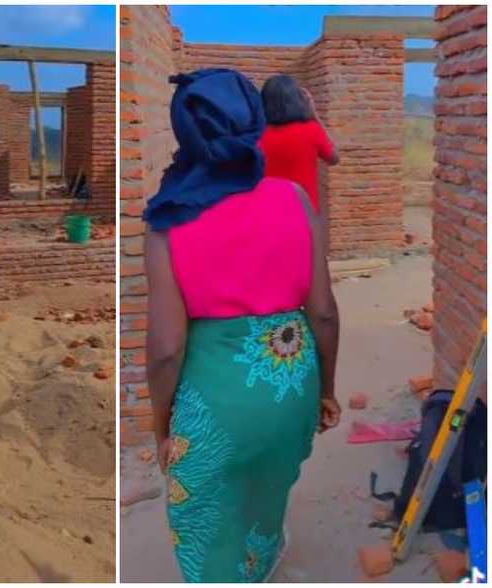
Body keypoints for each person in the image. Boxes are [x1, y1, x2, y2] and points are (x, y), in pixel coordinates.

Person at [141, 69, 341, 582]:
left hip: (217, 401)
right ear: (253, 124)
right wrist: (326, 389)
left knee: (203, 513)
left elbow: (167, 348)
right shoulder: (293, 198)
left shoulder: (168, 220)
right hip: (291, 386)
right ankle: (262, 557)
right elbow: (322, 310)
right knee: (267, 481)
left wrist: (163, 425)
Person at [258, 74, 339, 251]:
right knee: (304, 264)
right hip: (305, 212)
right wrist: (314, 115)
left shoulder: (257, 136)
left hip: (268, 212)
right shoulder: (311, 130)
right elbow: (334, 158)